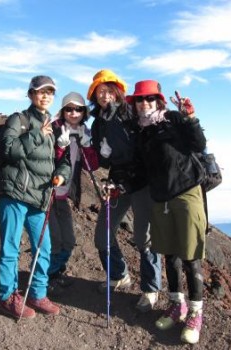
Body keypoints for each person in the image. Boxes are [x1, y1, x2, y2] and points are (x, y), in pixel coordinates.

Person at [129, 80, 207, 344]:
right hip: (160, 198)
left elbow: (198, 144)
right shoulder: (142, 132)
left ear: (158, 100)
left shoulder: (173, 119)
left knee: (189, 256)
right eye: (140, 99)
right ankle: (177, 306)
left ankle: (196, 312)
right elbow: (142, 168)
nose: (144, 103)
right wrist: (118, 181)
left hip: (186, 193)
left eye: (149, 98)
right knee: (170, 255)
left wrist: (190, 118)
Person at [0, 75, 71, 320]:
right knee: (11, 248)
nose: (45, 96)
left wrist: (61, 174)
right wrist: (37, 134)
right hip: (15, 194)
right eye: (40, 92)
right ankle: (8, 297)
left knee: (43, 248)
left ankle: (37, 293)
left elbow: (64, 159)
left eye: (50, 92)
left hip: (39, 196)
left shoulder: (56, 126)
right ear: (30, 95)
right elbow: (7, 149)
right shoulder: (19, 119)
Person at [87, 69, 162, 312]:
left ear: (118, 91)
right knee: (102, 235)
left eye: (109, 90)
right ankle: (119, 275)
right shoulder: (98, 122)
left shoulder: (131, 113)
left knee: (144, 238)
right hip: (117, 183)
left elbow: (143, 152)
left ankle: (151, 290)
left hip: (141, 183)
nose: (105, 95)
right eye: (100, 92)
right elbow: (105, 160)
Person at [48, 92, 98, 294]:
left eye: (78, 109)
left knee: (68, 240)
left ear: (84, 112)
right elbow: (48, 161)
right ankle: (46, 279)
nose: (74, 112)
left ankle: (56, 272)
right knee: (55, 241)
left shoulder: (84, 131)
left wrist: (87, 145)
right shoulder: (53, 129)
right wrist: (60, 146)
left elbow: (91, 166)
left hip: (64, 195)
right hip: (48, 194)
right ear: (62, 111)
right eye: (69, 108)